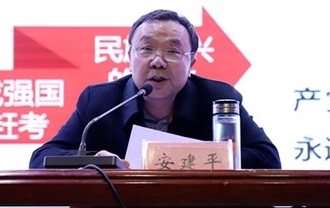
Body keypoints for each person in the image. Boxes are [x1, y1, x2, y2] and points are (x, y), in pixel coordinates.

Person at [29, 9, 281, 169]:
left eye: (172, 51)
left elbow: (268, 159)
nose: (158, 61)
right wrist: (98, 162)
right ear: (130, 56)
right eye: (147, 49)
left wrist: (206, 157)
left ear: (192, 63)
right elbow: (41, 159)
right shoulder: (100, 102)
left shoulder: (218, 99)